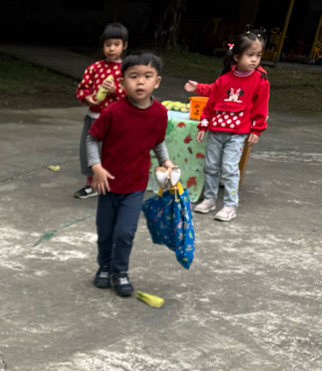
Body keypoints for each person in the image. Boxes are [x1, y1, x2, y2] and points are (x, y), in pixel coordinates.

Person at [86, 51, 174, 297]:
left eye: (147, 76)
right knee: (106, 231)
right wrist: (96, 167)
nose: (140, 82)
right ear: (122, 81)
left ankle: (120, 271)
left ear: (157, 81)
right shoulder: (113, 112)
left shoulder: (160, 113)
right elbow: (92, 139)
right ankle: (104, 266)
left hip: (135, 185)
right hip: (108, 185)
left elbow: (157, 141)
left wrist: (165, 161)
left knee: (125, 233)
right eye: (133, 76)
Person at [185, 30, 270, 222]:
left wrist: (257, 129)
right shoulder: (224, 79)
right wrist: (203, 125)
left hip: (237, 134)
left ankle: (230, 205)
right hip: (216, 131)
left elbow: (261, 108)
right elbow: (211, 102)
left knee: (230, 168)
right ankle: (209, 199)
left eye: (258, 56)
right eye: (250, 55)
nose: (254, 60)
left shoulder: (260, 81)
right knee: (211, 166)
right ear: (237, 56)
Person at [74, 22, 128, 199]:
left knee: (113, 153)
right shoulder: (94, 68)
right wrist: (87, 98)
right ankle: (92, 184)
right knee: (90, 152)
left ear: (124, 46)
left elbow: (133, 94)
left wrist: (116, 91)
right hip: (94, 117)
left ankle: (113, 184)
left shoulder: (127, 70)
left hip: (116, 120)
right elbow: (83, 89)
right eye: (108, 44)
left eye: (116, 44)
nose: (111, 49)